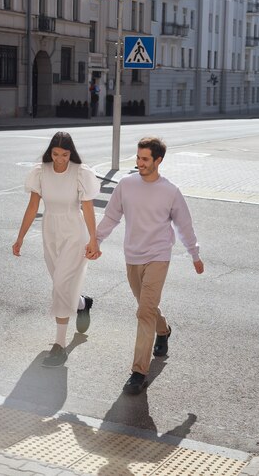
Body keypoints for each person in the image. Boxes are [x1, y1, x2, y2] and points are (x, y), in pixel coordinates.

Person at [95, 136, 204, 395]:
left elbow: (184, 225)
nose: (139, 163)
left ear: (158, 161)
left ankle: (138, 372)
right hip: (132, 255)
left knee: (144, 311)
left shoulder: (170, 191)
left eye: (145, 159)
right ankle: (163, 330)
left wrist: (194, 255)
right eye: (138, 158)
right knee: (146, 306)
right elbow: (111, 216)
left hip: (158, 255)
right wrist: (95, 241)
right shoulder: (126, 185)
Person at [12, 131, 101, 368]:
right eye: (55, 154)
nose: (60, 159)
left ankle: (59, 346)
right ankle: (81, 303)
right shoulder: (40, 172)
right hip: (50, 231)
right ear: (50, 152)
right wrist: (20, 237)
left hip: (75, 232)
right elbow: (33, 207)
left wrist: (94, 239)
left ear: (71, 153)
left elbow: (88, 208)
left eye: (64, 154)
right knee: (60, 284)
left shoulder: (81, 173)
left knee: (61, 283)